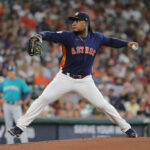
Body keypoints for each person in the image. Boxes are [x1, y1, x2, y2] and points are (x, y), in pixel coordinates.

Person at [8, 12, 138, 138]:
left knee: (102, 105)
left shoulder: (96, 38)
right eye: (73, 21)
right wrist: (39, 35)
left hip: (85, 81)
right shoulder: (67, 36)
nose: (74, 24)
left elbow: (111, 41)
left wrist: (127, 43)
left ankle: (127, 128)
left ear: (86, 23)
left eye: (77, 21)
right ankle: (20, 127)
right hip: (64, 78)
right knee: (43, 99)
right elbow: (50, 34)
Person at [0, 65, 30, 144]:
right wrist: (1, 98)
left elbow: (27, 91)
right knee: (8, 125)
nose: (10, 73)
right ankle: (10, 144)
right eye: (9, 72)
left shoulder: (19, 81)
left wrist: (22, 100)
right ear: (8, 73)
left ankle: (25, 143)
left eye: (12, 71)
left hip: (16, 105)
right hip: (6, 105)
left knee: (20, 124)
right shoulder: (4, 82)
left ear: (14, 72)